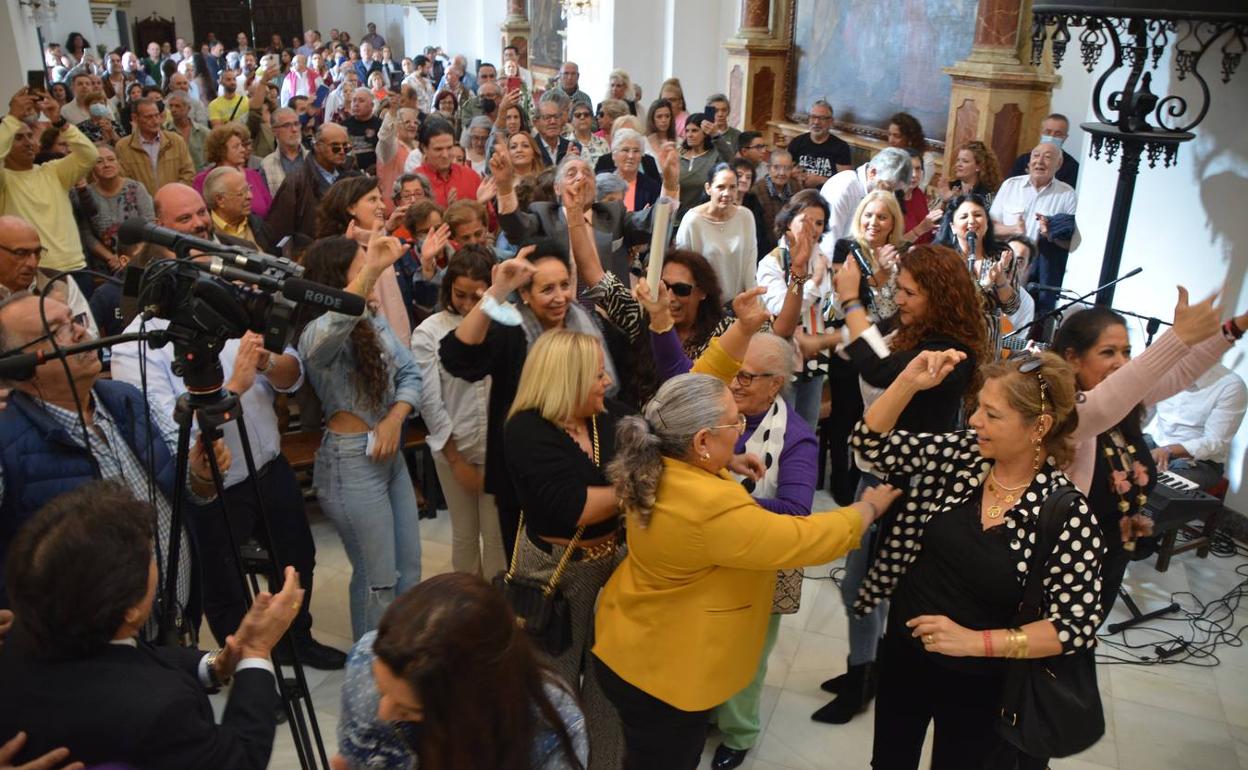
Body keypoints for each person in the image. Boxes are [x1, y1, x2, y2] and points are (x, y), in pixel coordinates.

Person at [593, 357, 896, 768]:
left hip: (629, 641)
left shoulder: (657, 462)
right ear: (700, 441)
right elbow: (800, 538)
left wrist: (725, 462)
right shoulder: (709, 508)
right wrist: (866, 511)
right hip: (663, 676)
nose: (740, 432)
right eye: (734, 425)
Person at [852, 349, 1099, 770]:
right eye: (977, 408)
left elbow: (1074, 626)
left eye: (992, 414)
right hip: (907, 654)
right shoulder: (968, 456)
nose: (974, 422)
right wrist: (908, 382)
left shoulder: (1064, 513)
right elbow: (871, 446)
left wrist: (973, 642)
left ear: (1038, 426)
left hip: (985, 683)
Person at [0, 481, 304, 769]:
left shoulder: (20, 640)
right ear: (130, 610)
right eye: (150, 559)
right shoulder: (163, 709)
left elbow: (129, 659)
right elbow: (240, 759)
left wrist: (215, 664)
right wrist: (255, 650)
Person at [812, 244, 990, 725]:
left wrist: (852, 302)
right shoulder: (918, 328)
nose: (901, 299)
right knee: (860, 582)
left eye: (910, 292)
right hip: (878, 468)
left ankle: (870, 675)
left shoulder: (955, 350)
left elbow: (881, 369)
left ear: (940, 295)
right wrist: (827, 335)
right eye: (900, 289)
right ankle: (865, 669)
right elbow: (867, 343)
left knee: (871, 585)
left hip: (913, 482)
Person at [0, 292, 226, 615]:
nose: (80, 332)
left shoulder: (126, 397)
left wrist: (200, 476)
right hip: (83, 650)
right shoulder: (4, 437)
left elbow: (186, 490)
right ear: (19, 366)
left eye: (74, 320)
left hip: (170, 622)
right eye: (55, 331)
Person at [1052, 299, 1247, 619]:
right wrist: (1177, 338)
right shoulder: (1071, 409)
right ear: (1072, 358)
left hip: (1112, 550)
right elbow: (1121, 390)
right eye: (1108, 352)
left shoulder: (1124, 406)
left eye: (1126, 352)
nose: (1121, 362)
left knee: (1084, 635)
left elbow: (1179, 373)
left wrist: (1235, 326)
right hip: (1068, 553)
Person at [439, 243, 621, 558]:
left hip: (588, 468)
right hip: (524, 475)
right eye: (547, 288)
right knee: (533, 569)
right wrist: (497, 291)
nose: (560, 296)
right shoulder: (511, 330)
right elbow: (458, 358)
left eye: (564, 285)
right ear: (525, 294)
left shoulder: (586, 324)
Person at [501, 330, 630, 768]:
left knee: (607, 688)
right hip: (553, 573)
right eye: (596, 376)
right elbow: (576, 508)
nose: (607, 384)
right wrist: (638, 485)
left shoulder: (604, 417)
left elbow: (660, 440)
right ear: (568, 380)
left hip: (612, 567)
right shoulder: (526, 430)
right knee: (550, 692)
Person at [296, 232, 424, 640]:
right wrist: (372, 271)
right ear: (338, 281)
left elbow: (410, 373)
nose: (372, 278)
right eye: (360, 269)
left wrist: (394, 419)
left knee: (410, 571)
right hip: (351, 463)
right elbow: (319, 347)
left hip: (389, 457)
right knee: (378, 580)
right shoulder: (317, 330)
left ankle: (402, 661)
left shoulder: (373, 318)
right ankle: (369, 679)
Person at [335, 573, 589, 769]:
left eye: (408, 710)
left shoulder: (552, 730)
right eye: (382, 692)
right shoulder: (366, 663)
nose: (384, 712)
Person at [409, 249, 505, 578]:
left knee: (496, 538)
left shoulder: (505, 323)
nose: (467, 304)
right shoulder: (429, 332)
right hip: (455, 447)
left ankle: (497, 611)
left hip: (498, 449)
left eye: (476, 296)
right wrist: (456, 460)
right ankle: (466, 612)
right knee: (464, 535)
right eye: (459, 295)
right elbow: (431, 403)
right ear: (448, 287)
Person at [754, 191, 831, 428]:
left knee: (807, 426)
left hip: (814, 351)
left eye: (819, 223)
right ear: (789, 222)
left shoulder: (820, 258)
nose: (813, 229)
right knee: (781, 426)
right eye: (806, 220)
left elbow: (826, 308)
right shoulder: (773, 261)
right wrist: (815, 283)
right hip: (783, 354)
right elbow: (781, 309)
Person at [0, 88, 99, 273]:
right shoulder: (4, 180)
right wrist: (12, 118)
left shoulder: (53, 171)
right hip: (33, 272)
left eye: (30, 136)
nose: (29, 142)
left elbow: (90, 155)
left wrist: (59, 121)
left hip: (75, 266)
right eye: (18, 138)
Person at [316, 176, 413, 345]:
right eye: (372, 200)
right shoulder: (331, 253)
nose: (382, 206)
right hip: (364, 347)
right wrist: (347, 257)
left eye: (381, 199)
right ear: (351, 207)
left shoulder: (390, 244)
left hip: (401, 346)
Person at [990, 142, 1079, 316]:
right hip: (1004, 266)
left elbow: (1072, 245)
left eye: (1048, 157)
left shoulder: (1067, 194)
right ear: (1029, 161)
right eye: (1036, 155)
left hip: (1037, 276)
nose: (1040, 161)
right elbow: (989, 228)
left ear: (1058, 165)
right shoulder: (1010, 185)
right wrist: (1013, 229)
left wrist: (1051, 235)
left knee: (1029, 320)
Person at [934, 192, 1020, 358]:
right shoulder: (942, 258)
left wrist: (1001, 279)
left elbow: (1012, 307)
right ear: (952, 226)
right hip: (951, 338)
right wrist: (986, 282)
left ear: (987, 223)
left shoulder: (1001, 254)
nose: (972, 221)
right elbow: (952, 305)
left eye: (978, 215)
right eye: (964, 216)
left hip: (989, 342)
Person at [1149, 365, 1247, 489]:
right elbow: (1143, 414)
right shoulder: (1166, 371)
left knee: (1158, 489)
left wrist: (1168, 450)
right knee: (1120, 463)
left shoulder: (1231, 385)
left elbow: (1215, 442)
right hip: (1157, 443)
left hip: (1201, 461)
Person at [0, 216, 96, 337]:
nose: (32, 263)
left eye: (37, 253)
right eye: (21, 253)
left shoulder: (60, 282)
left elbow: (89, 335)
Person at [674, 163, 758, 297]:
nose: (727, 193)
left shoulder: (746, 217)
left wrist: (752, 298)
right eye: (720, 187)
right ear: (708, 188)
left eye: (732, 187)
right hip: (703, 303)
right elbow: (683, 268)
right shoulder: (692, 221)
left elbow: (750, 265)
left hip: (737, 304)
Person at [267, 122, 361, 238]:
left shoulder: (353, 176)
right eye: (335, 147)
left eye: (346, 147)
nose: (342, 151)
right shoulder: (296, 182)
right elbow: (279, 229)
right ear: (317, 146)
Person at [81, 145, 154, 274]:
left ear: (119, 163)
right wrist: (111, 258)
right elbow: (86, 234)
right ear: (92, 167)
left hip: (139, 261)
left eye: (111, 159)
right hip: (105, 266)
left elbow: (150, 224)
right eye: (99, 161)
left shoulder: (136, 188)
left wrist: (131, 257)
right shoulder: (85, 194)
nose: (106, 165)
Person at [114, 97, 195, 196]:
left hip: (174, 203)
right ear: (135, 118)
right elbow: (124, 182)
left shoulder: (176, 141)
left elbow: (188, 173)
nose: (156, 121)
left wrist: (173, 195)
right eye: (148, 117)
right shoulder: (123, 147)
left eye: (157, 115)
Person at [192, 122, 273, 219]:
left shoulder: (254, 175)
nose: (243, 150)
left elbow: (270, 210)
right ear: (221, 150)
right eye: (236, 147)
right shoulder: (203, 180)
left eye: (242, 145)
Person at [201, 166, 276, 252]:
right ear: (220, 200)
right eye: (242, 193)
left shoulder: (260, 226)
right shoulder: (204, 234)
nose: (250, 196)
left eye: (249, 189)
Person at [415, 118, 480, 207]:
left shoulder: (471, 177)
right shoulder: (414, 182)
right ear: (424, 148)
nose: (445, 155)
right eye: (438, 149)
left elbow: (489, 218)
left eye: (449, 148)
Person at [790, 100, 853, 190]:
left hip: (826, 196)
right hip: (799, 193)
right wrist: (794, 174)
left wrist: (821, 180)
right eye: (813, 117)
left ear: (831, 122)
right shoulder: (797, 142)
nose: (816, 122)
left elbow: (846, 184)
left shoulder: (841, 148)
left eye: (822, 118)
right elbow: (786, 170)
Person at [1007, 113, 1080, 188]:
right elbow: (1010, 188)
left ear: (1065, 137)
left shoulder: (1073, 167)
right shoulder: (1023, 160)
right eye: (1048, 132)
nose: (1052, 136)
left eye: (1058, 134)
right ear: (1041, 133)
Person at [752, 149, 799, 255]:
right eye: (776, 167)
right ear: (768, 168)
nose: (782, 173)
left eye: (787, 168)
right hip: (765, 250)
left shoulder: (796, 187)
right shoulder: (757, 191)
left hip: (792, 245)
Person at [675, 113, 721, 217]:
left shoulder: (714, 155)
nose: (689, 135)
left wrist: (716, 135)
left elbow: (730, 159)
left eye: (694, 130)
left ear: (705, 133)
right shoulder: (677, 154)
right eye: (687, 131)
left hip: (704, 215)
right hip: (677, 217)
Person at [935, 140, 1001, 205]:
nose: (958, 165)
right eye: (958, 160)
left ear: (979, 166)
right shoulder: (951, 186)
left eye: (965, 161)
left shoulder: (986, 194)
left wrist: (952, 199)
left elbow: (976, 213)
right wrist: (944, 202)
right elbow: (930, 214)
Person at [260, 107, 307, 196]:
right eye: (287, 125)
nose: (294, 129)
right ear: (274, 131)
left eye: (296, 124)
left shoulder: (314, 158)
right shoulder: (266, 165)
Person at [166, 90, 211, 169]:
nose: (173, 109)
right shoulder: (164, 131)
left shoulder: (203, 132)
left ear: (188, 108)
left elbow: (212, 159)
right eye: (171, 106)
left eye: (177, 106)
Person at [534, 93, 578, 168]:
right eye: (547, 117)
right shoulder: (531, 148)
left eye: (556, 117)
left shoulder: (572, 148)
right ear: (536, 123)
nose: (553, 121)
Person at [567, 101, 608, 169]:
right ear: (571, 120)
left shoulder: (602, 142)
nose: (582, 117)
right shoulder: (566, 144)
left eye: (586, 115)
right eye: (578, 115)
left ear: (592, 119)